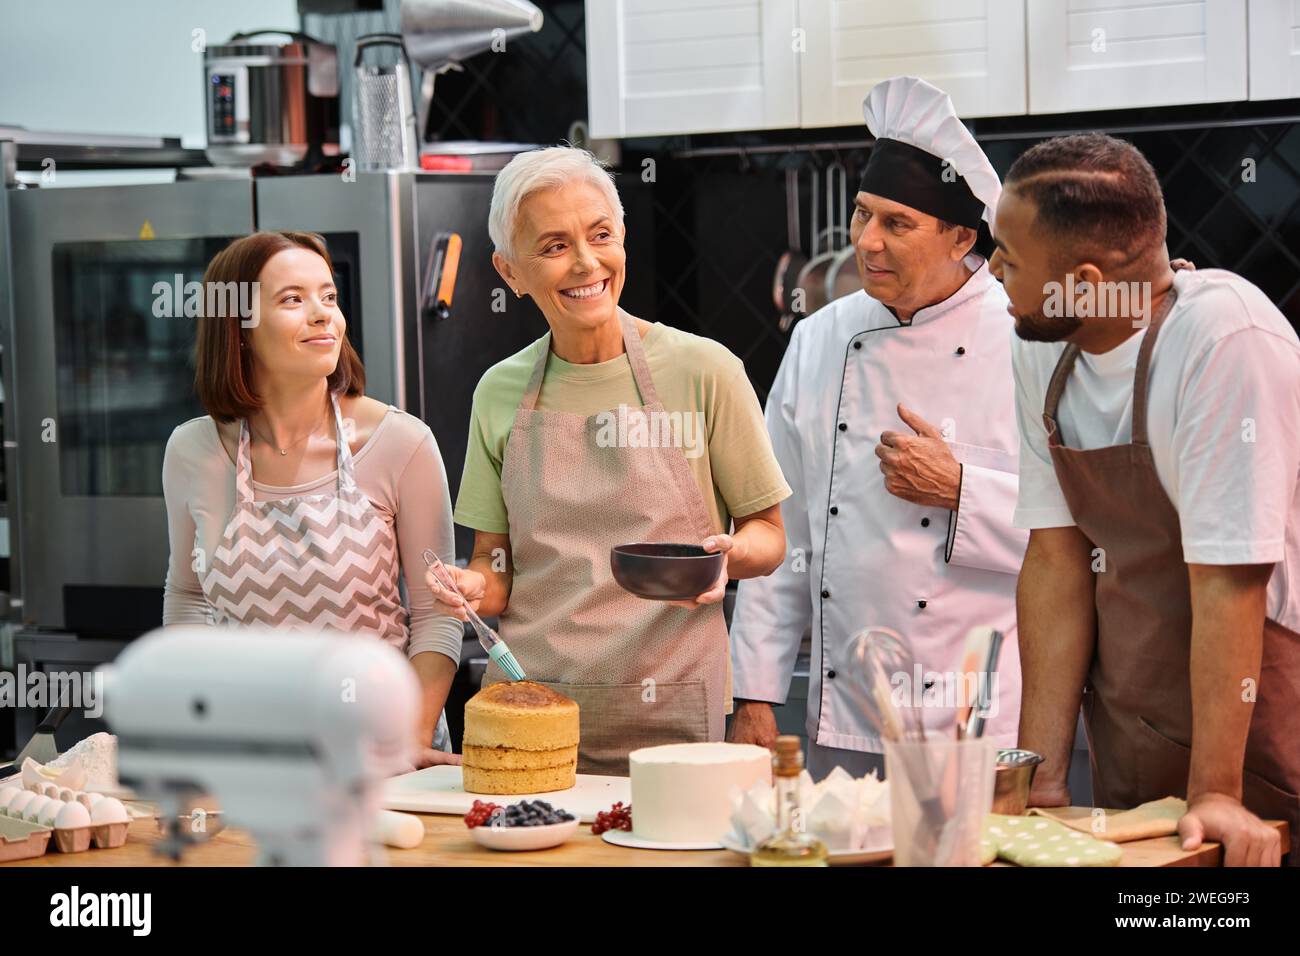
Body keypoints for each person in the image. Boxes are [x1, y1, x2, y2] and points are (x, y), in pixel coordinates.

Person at [429, 145, 791, 775]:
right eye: (553, 246)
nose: (586, 263)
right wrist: (471, 585)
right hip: (530, 715)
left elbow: (769, 536)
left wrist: (727, 558)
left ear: (624, 240)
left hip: (671, 714)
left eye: (600, 236)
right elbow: (497, 562)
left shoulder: (705, 371)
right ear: (510, 271)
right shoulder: (499, 391)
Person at [993, 132, 1300, 866]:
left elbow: (1229, 581)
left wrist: (1217, 791)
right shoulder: (1042, 341)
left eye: (1008, 255)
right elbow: (1057, 557)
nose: (991, 269)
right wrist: (1039, 775)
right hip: (1135, 735)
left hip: (1260, 729)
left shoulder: (1224, 341)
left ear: (1087, 279)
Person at [730, 77, 1027, 779]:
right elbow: (782, 524)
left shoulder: (1029, 340)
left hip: (978, 713)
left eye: (897, 224)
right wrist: (755, 691)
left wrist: (963, 490)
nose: (866, 242)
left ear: (961, 237)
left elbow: (1081, 536)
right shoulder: (820, 337)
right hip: (845, 711)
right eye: (864, 215)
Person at [162, 231, 463, 770]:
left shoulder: (402, 443)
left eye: (329, 296)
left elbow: (438, 612)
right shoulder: (193, 451)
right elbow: (188, 596)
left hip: (385, 755)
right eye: (292, 300)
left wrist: (410, 740)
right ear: (239, 331)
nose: (324, 315)